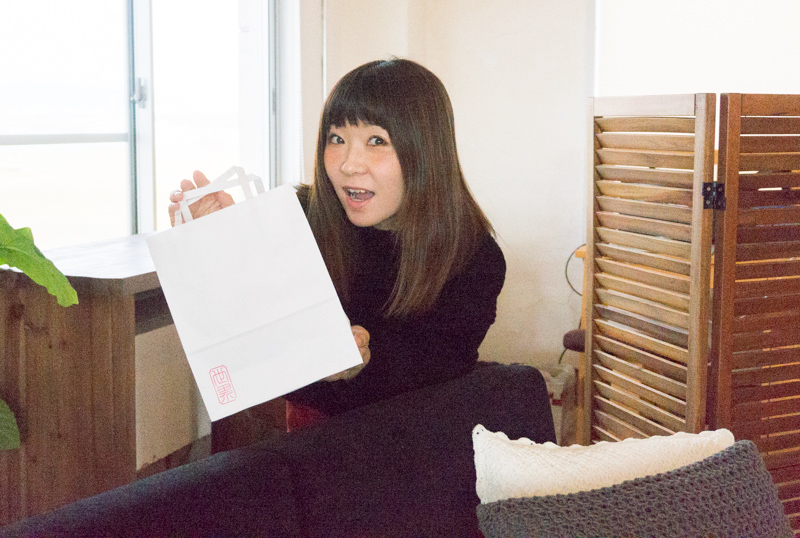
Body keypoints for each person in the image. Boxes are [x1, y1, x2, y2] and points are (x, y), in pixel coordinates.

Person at [168, 58, 506, 430]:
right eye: (337, 139)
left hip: (417, 443)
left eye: (377, 141)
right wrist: (217, 247)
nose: (349, 164)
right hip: (311, 440)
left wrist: (359, 366)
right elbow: (251, 354)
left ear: (426, 151)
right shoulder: (298, 217)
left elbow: (433, 377)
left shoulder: (474, 258)